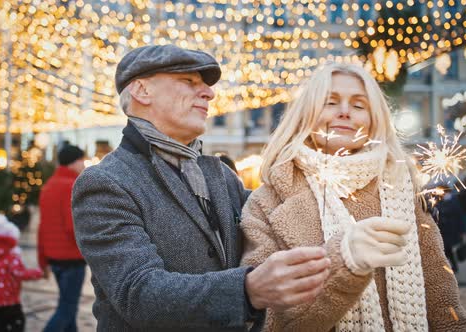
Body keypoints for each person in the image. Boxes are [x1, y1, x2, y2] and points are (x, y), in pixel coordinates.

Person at [71, 44, 331, 331]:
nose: (209, 93)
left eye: (205, 86)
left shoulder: (220, 174)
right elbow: (138, 293)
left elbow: (275, 221)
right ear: (142, 91)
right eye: (188, 82)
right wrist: (247, 290)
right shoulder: (107, 181)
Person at [240, 62, 466, 331]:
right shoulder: (267, 202)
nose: (345, 112)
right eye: (331, 102)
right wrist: (344, 261)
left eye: (359, 106)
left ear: (375, 120)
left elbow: (442, 300)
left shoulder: (401, 189)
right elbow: (269, 321)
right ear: (306, 114)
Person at [38, 144, 87, 332]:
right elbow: (72, 226)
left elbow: (42, 227)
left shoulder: (49, 186)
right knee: (67, 308)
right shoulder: (71, 186)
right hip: (71, 258)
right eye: (82, 160)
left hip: (55, 258)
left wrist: (42, 260)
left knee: (68, 308)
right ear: (74, 162)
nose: (84, 164)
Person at [0, 214, 43, 332]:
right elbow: (20, 273)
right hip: (10, 302)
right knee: (17, 324)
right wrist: (39, 273)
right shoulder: (12, 257)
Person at [435, 189, 466, 273]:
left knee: (447, 249)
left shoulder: (455, 202)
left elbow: (460, 217)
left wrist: (462, 231)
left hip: (451, 230)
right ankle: (449, 266)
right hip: (443, 229)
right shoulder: (440, 201)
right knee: (446, 249)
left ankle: (448, 266)